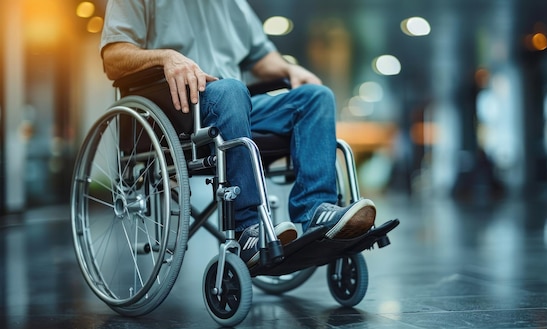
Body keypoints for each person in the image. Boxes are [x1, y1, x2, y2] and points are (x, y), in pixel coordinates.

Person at [100, 0, 376, 267]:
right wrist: (166, 58)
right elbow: (113, 58)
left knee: (316, 97)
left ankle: (316, 209)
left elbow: (260, 58)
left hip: (237, 105)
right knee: (230, 90)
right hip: (176, 110)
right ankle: (248, 229)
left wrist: (289, 69)